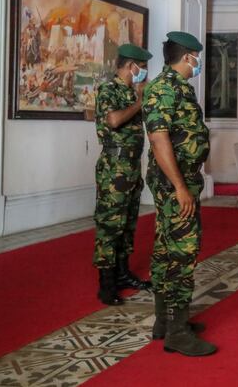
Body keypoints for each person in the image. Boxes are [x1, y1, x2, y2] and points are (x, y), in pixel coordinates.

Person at [143, 31, 214, 357]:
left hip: (177, 182)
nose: (198, 63)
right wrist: (181, 188)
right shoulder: (165, 89)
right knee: (182, 253)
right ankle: (177, 332)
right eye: (196, 57)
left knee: (164, 248)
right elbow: (159, 140)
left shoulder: (173, 87)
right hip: (175, 185)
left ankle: (163, 321)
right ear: (188, 57)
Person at [93, 43, 153, 307]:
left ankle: (123, 274)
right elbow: (113, 121)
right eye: (142, 67)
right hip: (114, 167)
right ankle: (106, 286)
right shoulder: (109, 89)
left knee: (127, 224)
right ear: (132, 66)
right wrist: (139, 102)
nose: (144, 72)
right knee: (110, 226)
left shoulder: (131, 91)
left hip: (130, 167)